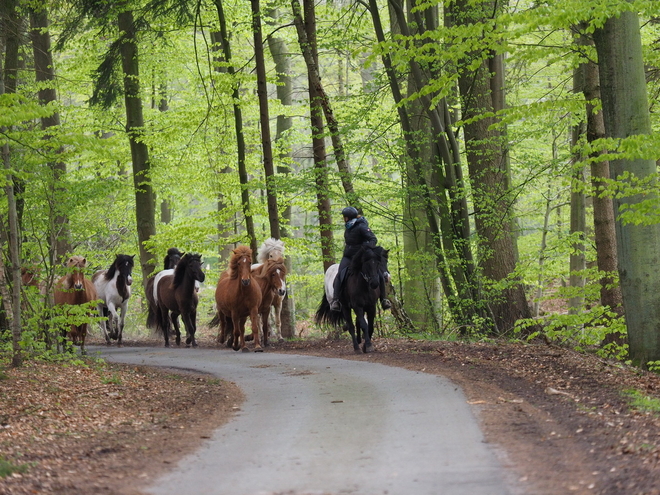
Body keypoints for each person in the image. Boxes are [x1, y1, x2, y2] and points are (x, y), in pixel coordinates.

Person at [330, 206, 392, 311]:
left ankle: (383, 299)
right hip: (348, 256)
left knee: (379, 274)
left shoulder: (362, 226)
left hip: (361, 257)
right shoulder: (349, 227)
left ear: (348, 217)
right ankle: (336, 300)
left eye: (344, 217)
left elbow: (373, 239)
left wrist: (365, 249)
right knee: (340, 274)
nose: (343, 219)